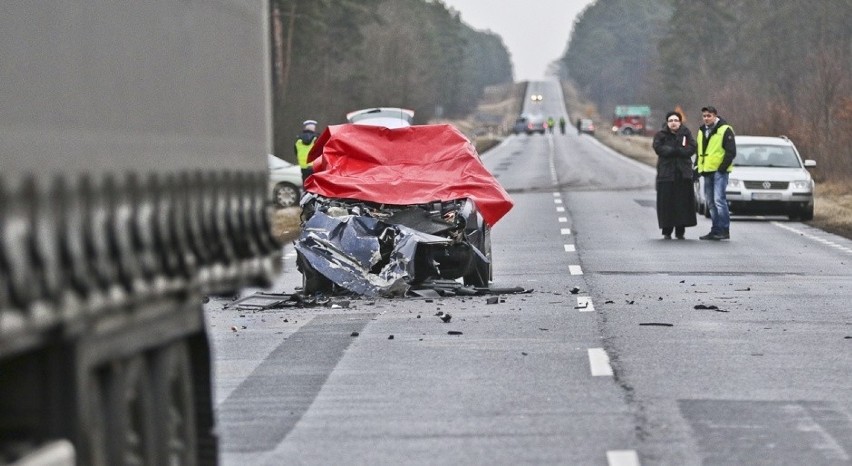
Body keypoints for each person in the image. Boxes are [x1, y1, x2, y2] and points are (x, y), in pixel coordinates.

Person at [652, 111, 697, 239]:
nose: (673, 123)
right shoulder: (661, 135)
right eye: (671, 121)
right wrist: (673, 151)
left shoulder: (686, 133)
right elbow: (658, 148)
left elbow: (692, 147)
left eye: (676, 120)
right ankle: (667, 230)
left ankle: (680, 230)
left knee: (682, 204)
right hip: (666, 174)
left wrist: (679, 151)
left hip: (683, 175)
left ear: (680, 122)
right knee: (666, 204)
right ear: (667, 122)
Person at [695, 106, 736, 240]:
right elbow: (699, 151)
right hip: (706, 171)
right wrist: (697, 168)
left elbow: (731, 152)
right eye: (704, 116)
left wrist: (722, 168)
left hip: (719, 172)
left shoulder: (725, 130)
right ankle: (715, 229)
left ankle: (724, 229)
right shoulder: (702, 131)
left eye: (709, 116)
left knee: (719, 200)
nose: (706, 118)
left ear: (715, 116)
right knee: (710, 202)